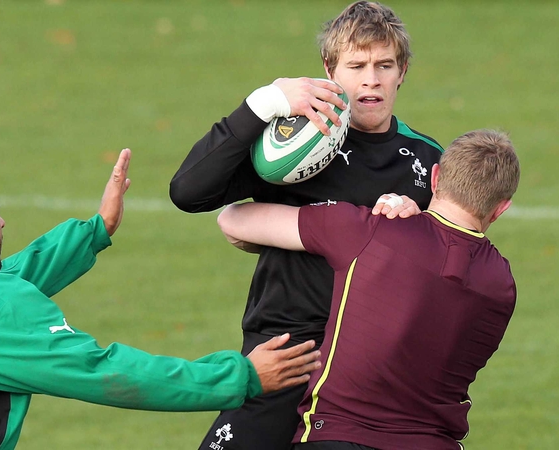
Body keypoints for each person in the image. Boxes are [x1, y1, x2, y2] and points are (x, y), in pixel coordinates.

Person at [0, 148, 324, 450]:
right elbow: (105, 373)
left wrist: (93, 232)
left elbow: (4, 281)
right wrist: (240, 377)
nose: (2, 221)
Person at [169, 2, 444, 449]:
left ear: (403, 71)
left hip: (369, 374)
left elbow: (455, 268)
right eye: (356, 65)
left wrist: (419, 227)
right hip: (283, 354)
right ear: (329, 68)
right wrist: (262, 105)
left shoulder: (428, 161)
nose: (371, 78)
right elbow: (188, 192)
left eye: (384, 65)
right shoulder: (292, 142)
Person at [217, 129, 520, 450]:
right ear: (501, 207)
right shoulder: (502, 283)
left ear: (435, 178)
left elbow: (233, 220)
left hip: (337, 436)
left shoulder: (368, 229)